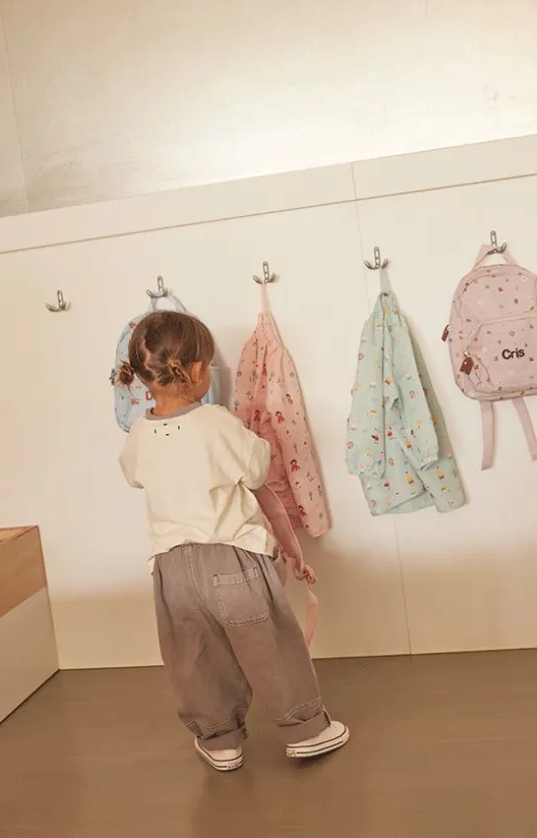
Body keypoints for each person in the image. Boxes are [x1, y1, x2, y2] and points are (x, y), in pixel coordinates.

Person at [117, 309, 350, 771]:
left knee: (195, 657)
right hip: (232, 559)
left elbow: (133, 476)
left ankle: (220, 740)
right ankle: (306, 731)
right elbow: (257, 468)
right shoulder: (217, 422)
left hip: (171, 569)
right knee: (270, 645)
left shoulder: (139, 433)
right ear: (197, 371)